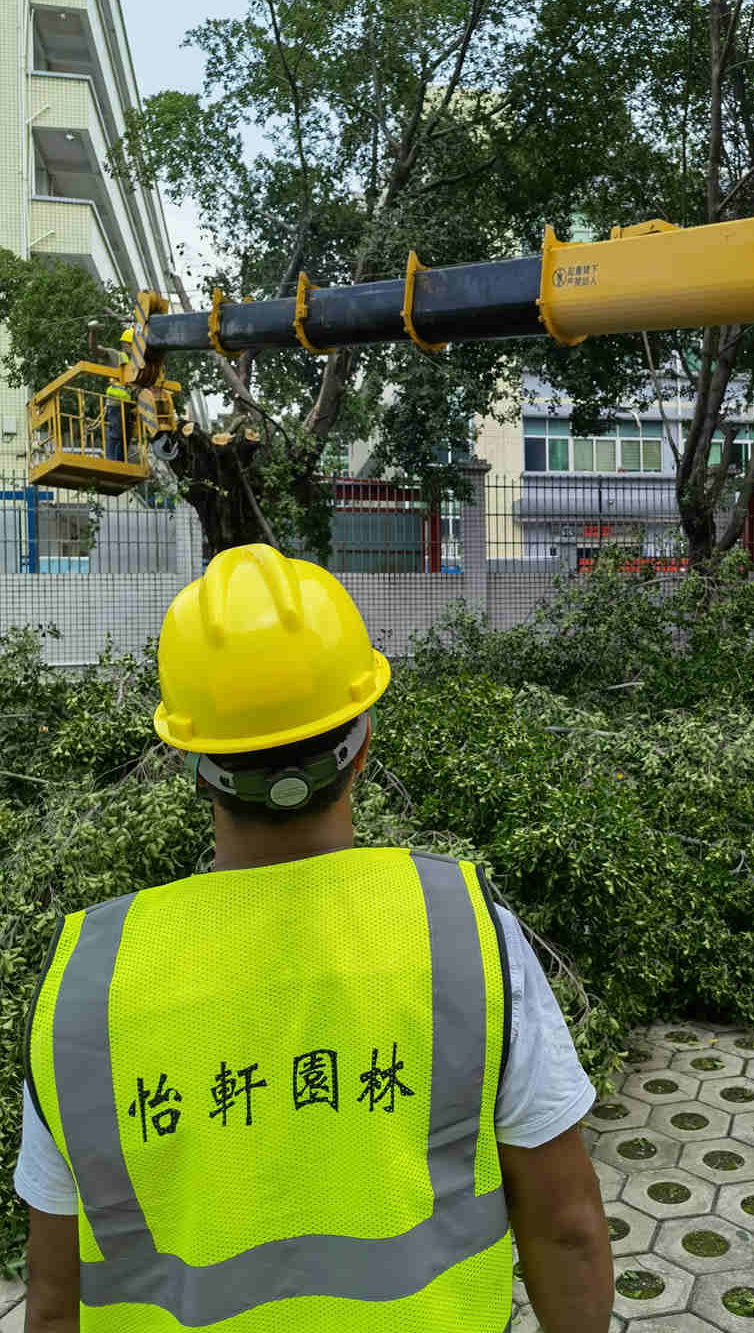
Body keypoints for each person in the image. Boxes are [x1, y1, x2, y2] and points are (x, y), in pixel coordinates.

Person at [15, 544, 614, 1333]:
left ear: (193, 764)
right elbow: (566, 1229)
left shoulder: (85, 987)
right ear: (361, 742)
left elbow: (55, 1303)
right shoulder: (465, 938)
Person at [103, 329, 138, 463]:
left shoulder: (135, 363)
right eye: (125, 344)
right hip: (116, 402)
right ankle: (111, 460)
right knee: (116, 433)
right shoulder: (118, 356)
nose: (126, 347)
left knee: (126, 435)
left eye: (127, 344)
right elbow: (97, 350)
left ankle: (121, 461)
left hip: (127, 405)